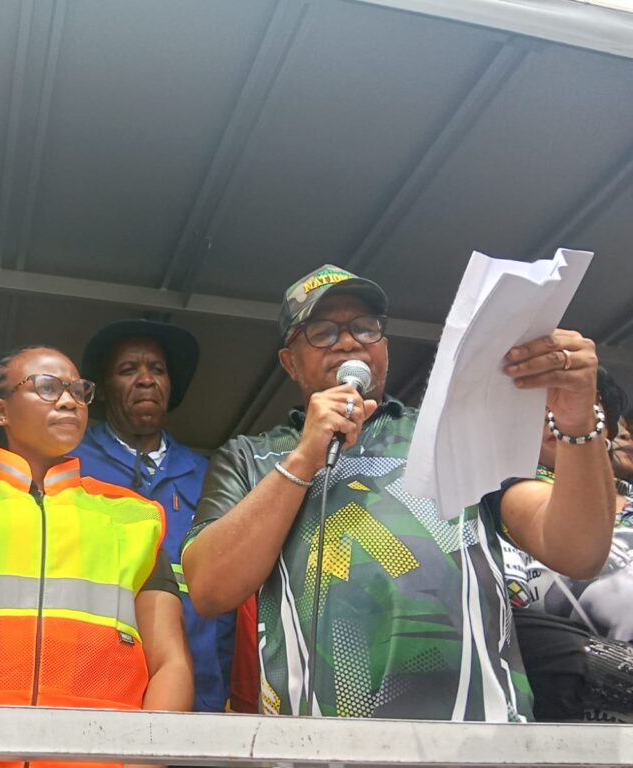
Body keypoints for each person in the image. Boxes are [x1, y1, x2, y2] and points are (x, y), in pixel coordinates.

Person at [182, 263, 614, 721]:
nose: (349, 342)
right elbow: (210, 589)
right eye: (323, 331)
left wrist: (577, 422)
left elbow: (576, 550)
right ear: (289, 362)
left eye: (365, 328)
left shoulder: (449, 432)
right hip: (325, 746)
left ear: (385, 347)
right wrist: (305, 456)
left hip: (479, 739)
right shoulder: (252, 457)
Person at [0, 345, 193, 768]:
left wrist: (140, 763)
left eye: (78, 391)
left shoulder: (133, 517)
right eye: (46, 387)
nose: (68, 400)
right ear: (0, 411)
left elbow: (171, 663)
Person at [73, 319, 233, 712]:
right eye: (128, 370)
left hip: (198, 687)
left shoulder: (210, 475)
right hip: (93, 681)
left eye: (157, 370)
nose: (146, 380)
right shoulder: (70, 463)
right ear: (104, 389)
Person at [500, 368, 633, 721]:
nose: (557, 417)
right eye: (538, 407)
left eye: (580, 404)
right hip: (538, 735)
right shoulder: (485, 510)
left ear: (613, 428)